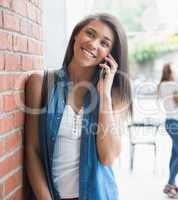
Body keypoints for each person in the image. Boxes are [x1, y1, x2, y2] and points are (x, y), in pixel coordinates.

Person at [25, 13, 132, 200]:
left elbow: (107, 156)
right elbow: (32, 150)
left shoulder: (114, 94)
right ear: (76, 35)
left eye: (104, 43)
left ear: (110, 56)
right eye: (90, 34)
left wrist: (104, 94)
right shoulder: (40, 83)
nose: (93, 44)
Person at [157, 63, 178, 199]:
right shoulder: (168, 85)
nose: (177, 73)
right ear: (169, 73)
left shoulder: (171, 86)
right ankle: (169, 184)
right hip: (173, 123)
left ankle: (173, 184)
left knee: (175, 154)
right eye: (175, 71)